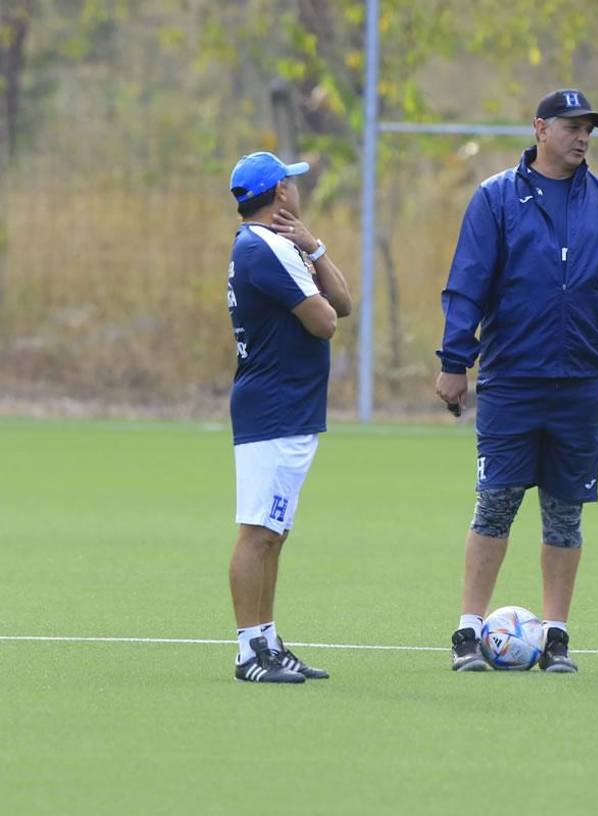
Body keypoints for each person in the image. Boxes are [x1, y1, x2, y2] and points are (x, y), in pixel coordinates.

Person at [435, 89, 598, 673]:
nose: (582, 137)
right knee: (495, 503)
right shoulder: (496, 198)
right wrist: (456, 361)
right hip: (512, 381)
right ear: (540, 129)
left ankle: (556, 636)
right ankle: (467, 631)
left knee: (565, 512)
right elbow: (467, 283)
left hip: (584, 384)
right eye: (572, 126)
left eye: (590, 129)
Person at [225, 152, 353, 683]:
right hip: (273, 406)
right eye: (291, 183)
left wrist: (315, 246)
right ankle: (249, 651)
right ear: (280, 192)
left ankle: (269, 642)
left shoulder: (278, 244)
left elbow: (342, 302)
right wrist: (305, 258)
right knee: (258, 531)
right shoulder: (262, 248)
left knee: (272, 531)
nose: (297, 190)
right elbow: (325, 322)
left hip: (289, 407)